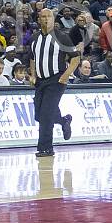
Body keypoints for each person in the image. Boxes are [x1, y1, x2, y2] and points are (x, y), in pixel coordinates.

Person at [29, 9, 79, 157]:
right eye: (43, 17)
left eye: (49, 16)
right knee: (39, 114)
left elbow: (75, 58)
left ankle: (46, 148)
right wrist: (33, 75)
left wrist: (66, 75)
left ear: (53, 19)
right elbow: (32, 58)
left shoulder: (62, 37)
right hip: (40, 81)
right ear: (39, 19)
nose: (46, 19)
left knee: (45, 114)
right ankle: (64, 121)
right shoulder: (34, 37)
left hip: (57, 79)